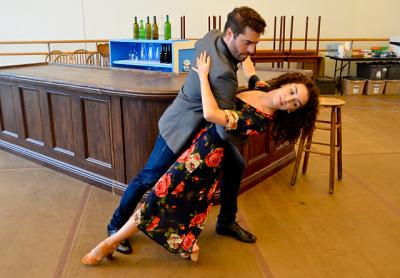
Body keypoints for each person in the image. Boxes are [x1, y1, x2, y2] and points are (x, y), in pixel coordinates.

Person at [82, 52, 319, 265]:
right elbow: (251, 71)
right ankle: (186, 244)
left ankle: (109, 243)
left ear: (292, 111)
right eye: (292, 92)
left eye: (294, 103)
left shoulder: (260, 120)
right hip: (197, 148)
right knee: (178, 201)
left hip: (203, 160)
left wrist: (204, 76)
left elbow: (211, 114)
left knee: (158, 196)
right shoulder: (264, 88)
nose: (288, 99)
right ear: (287, 84)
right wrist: (243, 53)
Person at [107, 6, 267, 255]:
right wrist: (251, 127)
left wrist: (254, 78)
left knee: (236, 165)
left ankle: (225, 222)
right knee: (148, 178)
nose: (252, 50)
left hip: (197, 124)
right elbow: (225, 129)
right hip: (181, 127)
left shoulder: (212, 36)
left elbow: (242, 57)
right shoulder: (223, 74)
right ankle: (115, 226)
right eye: (247, 43)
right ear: (229, 34)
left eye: (255, 43)